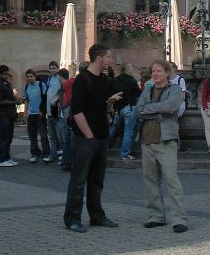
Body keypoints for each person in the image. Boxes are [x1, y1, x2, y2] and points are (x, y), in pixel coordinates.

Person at [63, 43, 124, 233]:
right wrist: (89, 135)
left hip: (102, 136)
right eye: (108, 57)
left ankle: (97, 216)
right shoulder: (82, 79)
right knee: (79, 179)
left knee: (97, 179)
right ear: (99, 58)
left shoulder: (103, 80)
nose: (110, 60)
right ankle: (72, 218)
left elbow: (98, 105)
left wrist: (110, 101)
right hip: (85, 138)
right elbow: (77, 109)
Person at [137, 60, 189, 233]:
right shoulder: (147, 89)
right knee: (150, 180)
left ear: (167, 73)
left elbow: (171, 106)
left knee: (172, 180)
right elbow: (138, 110)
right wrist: (157, 111)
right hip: (147, 139)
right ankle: (156, 216)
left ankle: (179, 219)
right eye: (153, 71)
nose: (155, 74)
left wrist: (149, 109)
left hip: (166, 140)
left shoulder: (175, 89)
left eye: (159, 71)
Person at [111, 64, 141, 163]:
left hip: (120, 108)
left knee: (117, 129)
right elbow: (138, 93)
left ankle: (109, 145)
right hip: (130, 107)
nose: (132, 70)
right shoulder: (131, 81)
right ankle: (125, 153)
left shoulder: (115, 80)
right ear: (128, 70)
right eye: (131, 68)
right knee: (129, 131)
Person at [0, 66, 19, 167]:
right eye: (5, 74)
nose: (6, 76)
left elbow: (9, 96)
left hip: (9, 113)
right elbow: (1, 101)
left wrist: (15, 98)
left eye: (7, 74)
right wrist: (15, 102)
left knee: (9, 136)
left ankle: (7, 157)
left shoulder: (7, 83)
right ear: (0, 74)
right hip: (3, 113)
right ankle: (1, 159)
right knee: (3, 136)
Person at [25, 68, 50, 163]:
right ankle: (34, 153)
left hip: (40, 114)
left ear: (34, 76)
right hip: (31, 114)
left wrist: (42, 110)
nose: (29, 78)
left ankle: (46, 154)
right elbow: (26, 100)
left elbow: (45, 98)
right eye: (27, 77)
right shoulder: (27, 87)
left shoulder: (41, 84)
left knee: (43, 135)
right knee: (32, 136)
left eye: (31, 76)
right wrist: (26, 112)